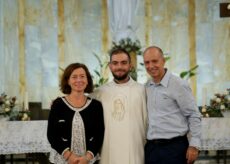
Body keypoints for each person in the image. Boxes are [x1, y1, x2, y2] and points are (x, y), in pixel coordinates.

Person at [143, 46, 201, 164]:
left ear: (163, 61)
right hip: (152, 149)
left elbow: (193, 114)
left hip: (174, 149)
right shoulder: (147, 86)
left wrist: (194, 145)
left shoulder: (178, 84)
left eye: (154, 61)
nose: (150, 66)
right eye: (147, 62)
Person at [91, 48, 147, 164]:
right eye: (115, 63)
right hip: (108, 151)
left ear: (130, 65)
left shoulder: (142, 90)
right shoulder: (99, 92)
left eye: (124, 63)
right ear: (110, 66)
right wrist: (60, 101)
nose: (119, 67)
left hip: (135, 150)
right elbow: (79, 103)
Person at [47, 63, 104, 164]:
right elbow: (52, 135)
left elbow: (99, 134)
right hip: (62, 160)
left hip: (89, 160)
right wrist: (68, 156)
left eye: (82, 76)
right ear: (68, 81)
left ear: (87, 80)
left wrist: (87, 157)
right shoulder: (58, 104)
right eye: (74, 77)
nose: (79, 80)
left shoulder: (96, 106)